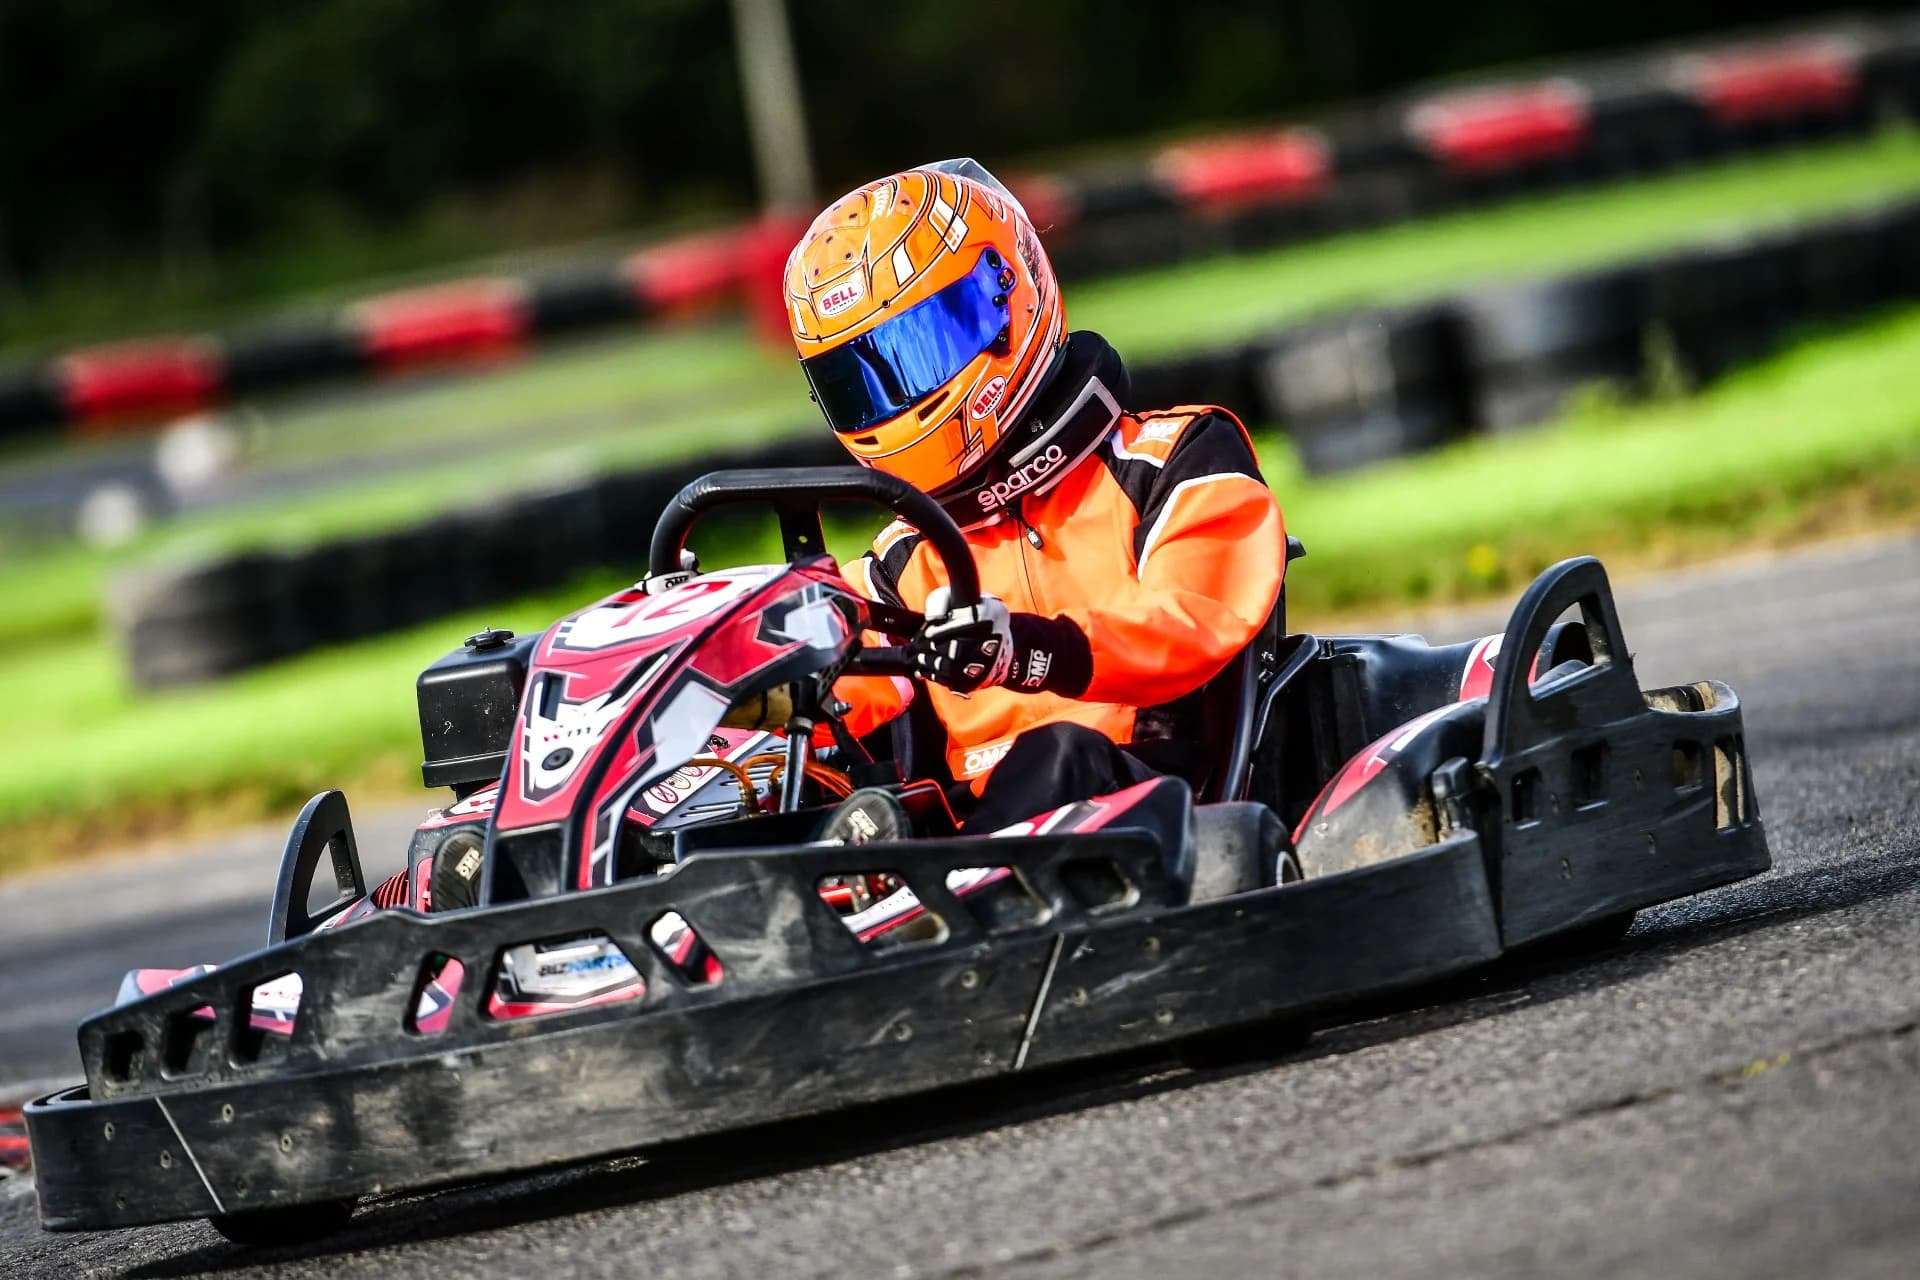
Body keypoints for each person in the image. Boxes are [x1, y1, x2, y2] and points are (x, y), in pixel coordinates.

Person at [784, 159, 1287, 840]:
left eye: (921, 349)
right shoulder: (906, 560)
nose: (900, 396)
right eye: (864, 380)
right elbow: (836, 687)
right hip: (974, 840)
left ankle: (958, 892)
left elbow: (1192, 623)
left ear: (1005, 294)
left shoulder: (1179, 459)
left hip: (1169, 809)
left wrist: (1024, 651)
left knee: (1059, 754)